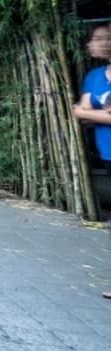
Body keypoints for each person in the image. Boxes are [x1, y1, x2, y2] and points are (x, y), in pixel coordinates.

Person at [71, 23, 111, 299]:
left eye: (99, 38)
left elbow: (85, 112)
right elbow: (79, 112)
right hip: (107, 153)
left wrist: (91, 113)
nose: (91, 43)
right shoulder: (95, 76)